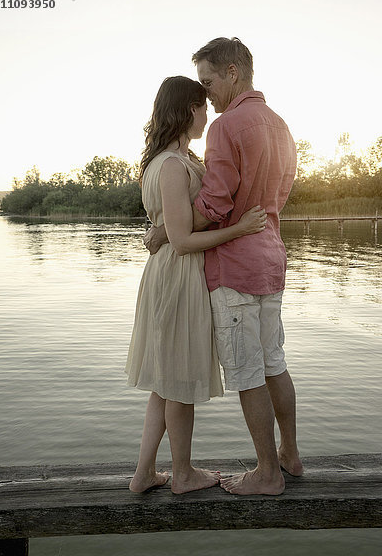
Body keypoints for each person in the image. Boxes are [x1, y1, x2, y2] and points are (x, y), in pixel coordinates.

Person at [146, 38, 303, 495]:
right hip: (271, 259)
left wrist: (164, 229)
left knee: (248, 373)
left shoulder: (227, 127)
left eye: (209, 81)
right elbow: (278, 196)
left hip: (235, 268)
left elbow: (215, 203)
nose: (206, 94)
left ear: (233, 73)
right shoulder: (280, 125)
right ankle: (290, 455)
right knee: (274, 362)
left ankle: (267, 474)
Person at [125, 75, 267, 495]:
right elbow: (185, 240)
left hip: (170, 270)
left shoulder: (176, 160)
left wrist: (165, 230)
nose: (208, 114)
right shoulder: (171, 165)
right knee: (179, 381)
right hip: (178, 275)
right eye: (203, 106)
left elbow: (174, 226)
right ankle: (182, 474)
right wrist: (239, 229)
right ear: (189, 109)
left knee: (165, 381)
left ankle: (144, 473)